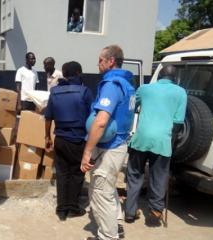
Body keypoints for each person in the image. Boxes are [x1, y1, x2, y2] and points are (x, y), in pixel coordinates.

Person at [81, 45, 136, 240]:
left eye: (100, 60)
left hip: (110, 148)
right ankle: (116, 225)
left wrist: (87, 152)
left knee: (101, 193)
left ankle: (107, 236)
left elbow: (101, 121)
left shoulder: (112, 84)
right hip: (119, 144)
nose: (98, 64)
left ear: (111, 61)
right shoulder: (128, 84)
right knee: (109, 189)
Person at [125, 65, 187, 226]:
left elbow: (132, 107)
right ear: (175, 78)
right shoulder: (181, 92)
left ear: (159, 75)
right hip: (162, 141)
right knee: (159, 176)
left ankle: (130, 212)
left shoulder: (144, 88)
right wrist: (171, 144)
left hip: (141, 139)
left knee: (134, 175)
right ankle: (156, 210)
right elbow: (178, 123)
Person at [44, 61, 93, 221]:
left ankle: (61, 209)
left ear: (64, 74)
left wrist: (47, 137)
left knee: (62, 173)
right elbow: (92, 118)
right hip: (78, 140)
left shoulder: (55, 91)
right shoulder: (85, 92)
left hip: (60, 139)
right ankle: (72, 208)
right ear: (79, 73)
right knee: (77, 174)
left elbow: (48, 117)